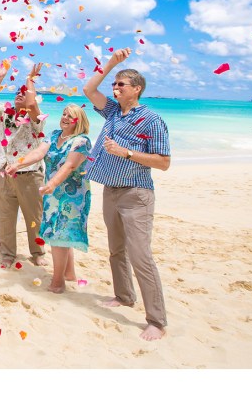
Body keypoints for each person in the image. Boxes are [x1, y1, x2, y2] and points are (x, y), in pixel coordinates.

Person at [83, 48, 171, 341]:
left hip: (136, 194)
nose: (116, 87)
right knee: (116, 250)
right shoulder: (110, 111)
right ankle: (123, 296)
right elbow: (88, 88)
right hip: (111, 190)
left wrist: (127, 152)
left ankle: (156, 321)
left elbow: (164, 162)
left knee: (140, 256)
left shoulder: (151, 120)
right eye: (115, 84)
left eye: (122, 84)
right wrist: (111, 63)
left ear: (137, 89)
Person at [6, 105, 92, 293]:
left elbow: (69, 166)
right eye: (63, 114)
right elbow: (38, 153)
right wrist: (17, 164)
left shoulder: (81, 141)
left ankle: (58, 282)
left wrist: (52, 184)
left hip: (72, 196)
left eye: (71, 116)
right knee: (60, 233)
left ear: (79, 120)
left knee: (59, 235)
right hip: (52, 193)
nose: (65, 118)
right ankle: (69, 274)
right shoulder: (54, 135)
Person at [0, 61, 48, 268]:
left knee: (33, 217)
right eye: (17, 92)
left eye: (24, 92)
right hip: (3, 171)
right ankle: (8, 253)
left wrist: (30, 80)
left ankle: (37, 251)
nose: (20, 94)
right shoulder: (4, 113)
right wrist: (0, 77)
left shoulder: (37, 119)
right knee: (6, 216)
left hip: (29, 173)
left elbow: (30, 105)